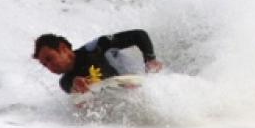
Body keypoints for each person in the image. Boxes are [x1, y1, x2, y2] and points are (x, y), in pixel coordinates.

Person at [33, 29, 163, 93]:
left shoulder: (95, 48)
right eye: (45, 65)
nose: (49, 67)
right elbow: (70, 87)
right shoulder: (66, 82)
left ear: (63, 48)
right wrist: (76, 86)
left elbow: (139, 35)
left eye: (50, 59)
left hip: (143, 83)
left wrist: (150, 59)